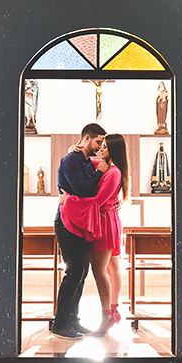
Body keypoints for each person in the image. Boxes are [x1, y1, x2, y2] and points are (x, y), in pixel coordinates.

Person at [60, 132, 129, 336]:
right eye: (101, 145)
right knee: (107, 268)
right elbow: (92, 161)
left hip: (105, 222)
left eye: (105, 147)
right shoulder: (109, 167)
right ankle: (112, 312)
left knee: (100, 271)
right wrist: (73, 150)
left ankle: (106, 316)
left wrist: (69, 200)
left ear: (113, 150)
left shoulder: (114, 172)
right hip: (106, 220)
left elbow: (98, 200)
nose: (101, 149)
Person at [52, 122, 107, 339]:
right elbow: (82, 190)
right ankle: (60, 324)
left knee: (81, 273)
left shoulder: (83, 160)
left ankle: (72, 321)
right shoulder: (71, 160)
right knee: (73, 272)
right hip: (67, 223)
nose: (100, 147)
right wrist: (99, 172)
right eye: (97, 142)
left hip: (80, 222)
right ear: (86, 138)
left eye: (102, 143)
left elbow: (95, 183)